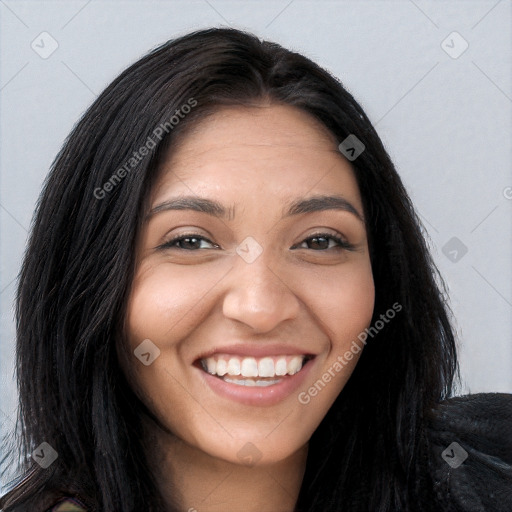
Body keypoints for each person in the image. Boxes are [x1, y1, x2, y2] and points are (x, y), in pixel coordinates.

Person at [0, 27, 510, 512]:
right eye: (191, 241)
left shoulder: (487, 471)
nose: (262, 309)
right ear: (88, 279)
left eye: (320, 241)